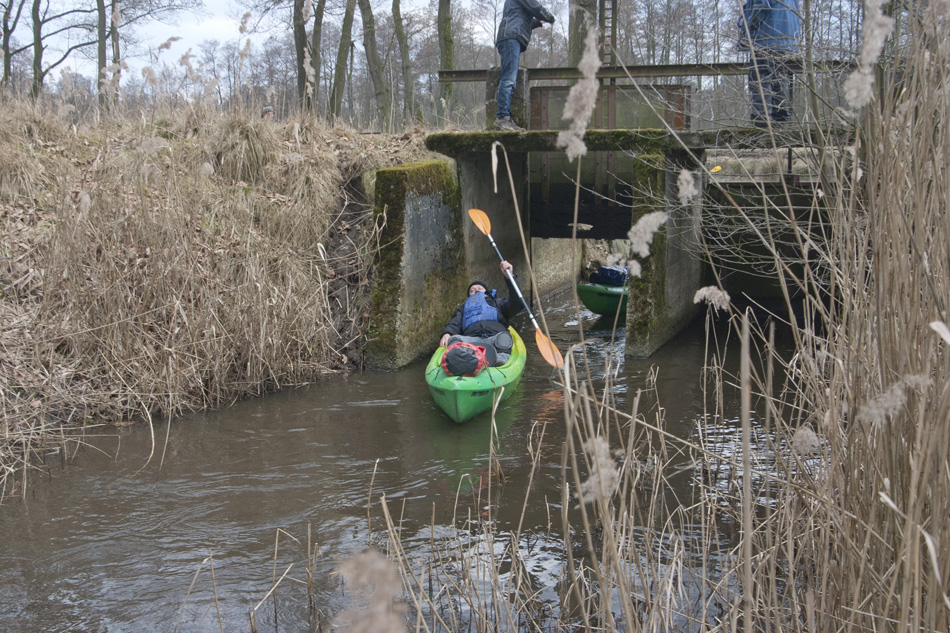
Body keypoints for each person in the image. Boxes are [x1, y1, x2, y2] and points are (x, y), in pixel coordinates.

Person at [439, 260, 521, 366]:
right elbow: (455, 323)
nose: (476, 290)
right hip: (472, 340)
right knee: (454, 340)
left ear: (487, 293)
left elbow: (518, 304)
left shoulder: (498, 302)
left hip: (495, 337)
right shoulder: (464, 308)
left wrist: (510, 278)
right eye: (472, 290)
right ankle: (467, 359)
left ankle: (499, 360)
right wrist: (447, 333)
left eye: (480, 288)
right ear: (469, 297)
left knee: (504, 338)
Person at [494, 0, 556, 133]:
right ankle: (502, 118)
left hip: (511, 37)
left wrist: (538, 23)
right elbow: (536, 8)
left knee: (510, 79)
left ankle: (506, 118)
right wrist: (550, 17)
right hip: (511, 38)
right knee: (508, 80)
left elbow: (522, 21)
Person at [737, 0, 801, 126]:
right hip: (786, 38)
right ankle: (782, 119)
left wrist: (748, 27)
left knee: (761, 79)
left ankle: (761, 121)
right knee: (780, 78)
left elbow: (761, 6)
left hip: (766, 37)